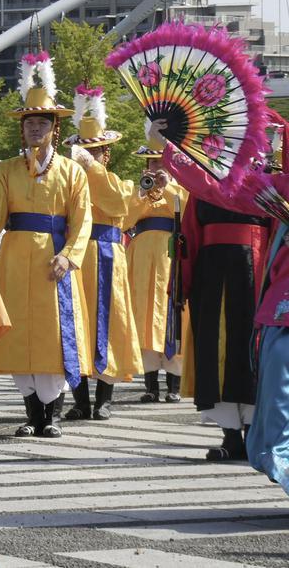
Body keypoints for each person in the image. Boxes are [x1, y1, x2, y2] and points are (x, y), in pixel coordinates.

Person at [0, 52, 93, 439]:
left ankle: (52, 415)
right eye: (30, 123)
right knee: (18, 336)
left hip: (53, 261)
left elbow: (83, 219)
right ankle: (31, 415)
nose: (35, 128)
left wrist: (69, 256)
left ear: (54, 128)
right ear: (21, 129)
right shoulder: (6, 170)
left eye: (42, 122)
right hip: (14, 259)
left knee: (53, 336)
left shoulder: (72, 172)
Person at [151, 120, 271, 461]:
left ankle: (254, 433)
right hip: (212, 275)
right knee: (215, 350)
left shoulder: (266, 184)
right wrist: (183, 283)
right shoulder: (202, 185)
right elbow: (189, 235)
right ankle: (230, 435)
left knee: (252, 349)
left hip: (257, 272)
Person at [61, 87, 143, 421]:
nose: (88, 157)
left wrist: (91, 168)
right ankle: (80, 399)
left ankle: (104, 399)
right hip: (76, 255)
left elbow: (118, 204)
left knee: (110, 321)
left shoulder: (118, 183)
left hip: (108, 255)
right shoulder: (67, 182)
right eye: (84, 151)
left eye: (95, 152)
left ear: (105, 154)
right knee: (76, 322)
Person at [121, 132, 188, 404]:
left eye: (160, 162)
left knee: (172, 312)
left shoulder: (181, 186)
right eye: (151, 163)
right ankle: (150, 386)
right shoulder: (138, 189)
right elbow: (124, 220)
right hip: (141, 259)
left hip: (171, 256)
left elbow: (186, 212)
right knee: (143, 314)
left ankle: (174, 385)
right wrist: (141, 193)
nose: (155, 167)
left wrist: (168, 186)